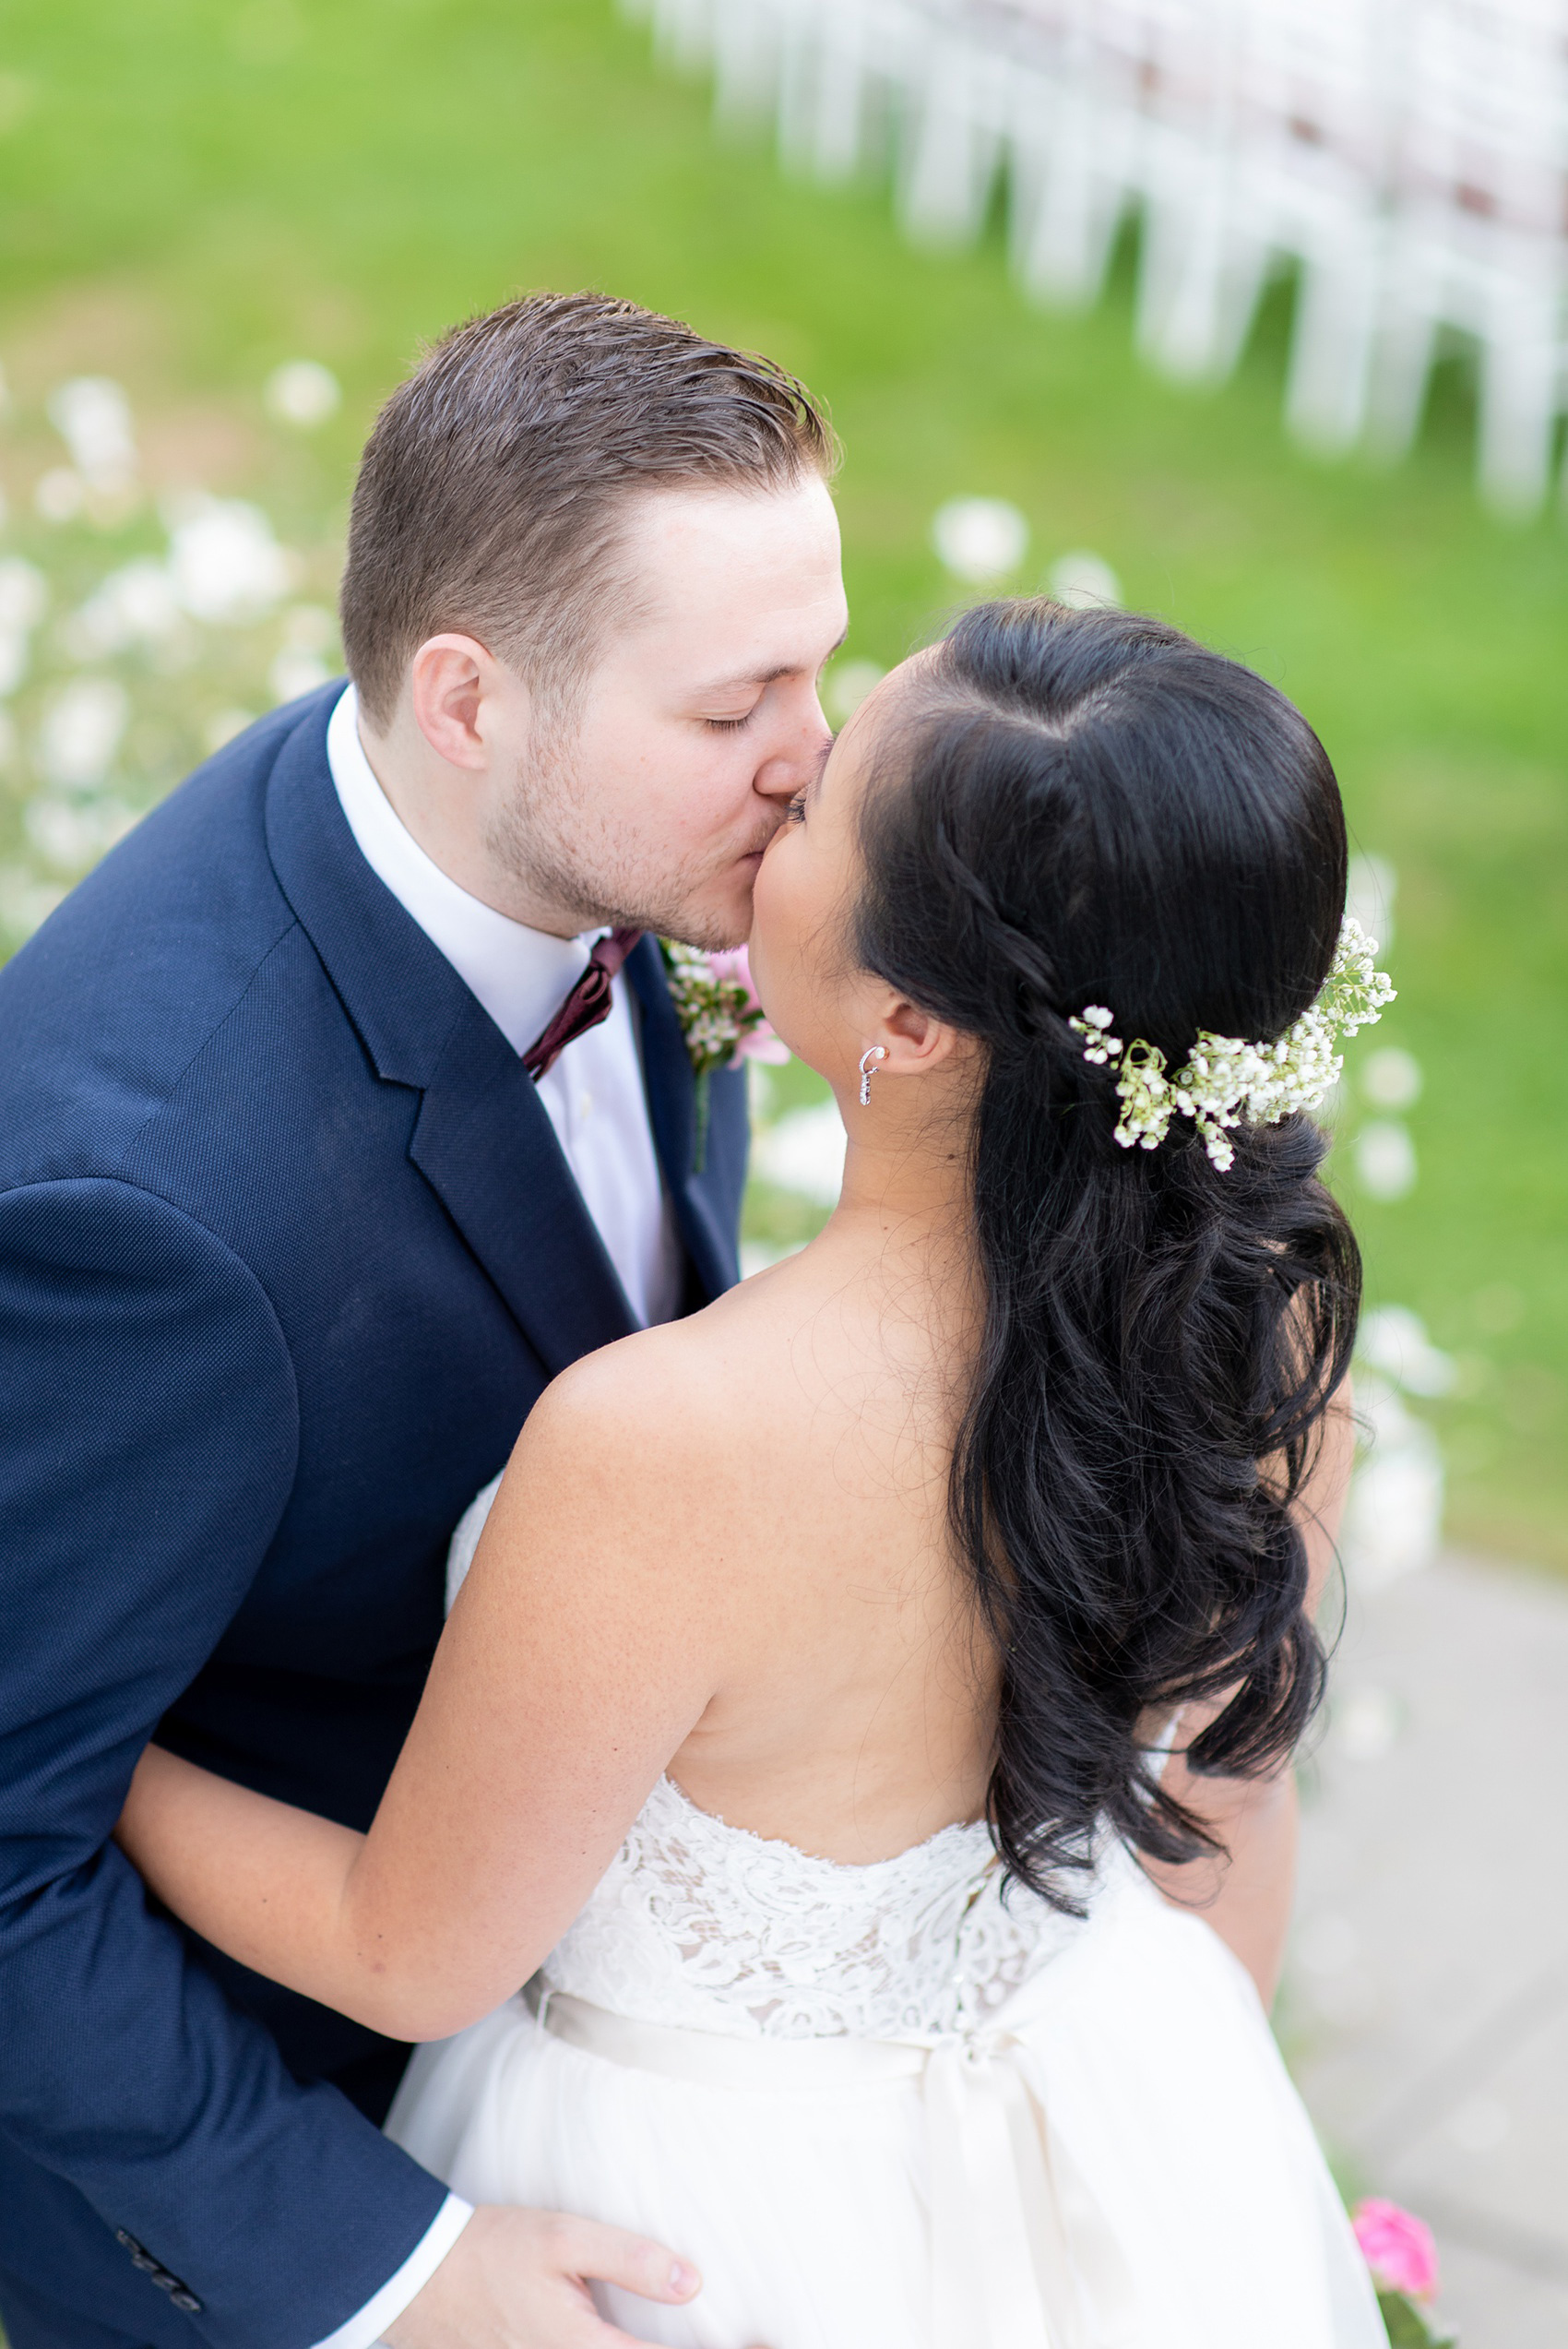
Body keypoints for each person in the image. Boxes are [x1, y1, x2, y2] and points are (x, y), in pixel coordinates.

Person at [115, 599, 1395, 2348]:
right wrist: (1177, 2141)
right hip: (1120, 2107)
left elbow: (408, 1949)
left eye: (817, 809)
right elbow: (1229, 1817)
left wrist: (83, 1759)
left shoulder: (667, 1447)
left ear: (914, 1025)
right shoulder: (1261, 1345)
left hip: (711, 2227)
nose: (777, 774)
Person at [0, 292, 848, 2349]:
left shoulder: (586, 839)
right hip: (298, 2138)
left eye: (819, 666)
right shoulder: (154, 1211)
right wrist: (386, 2269)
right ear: (469, 700)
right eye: (739, 703)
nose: (817, 765)